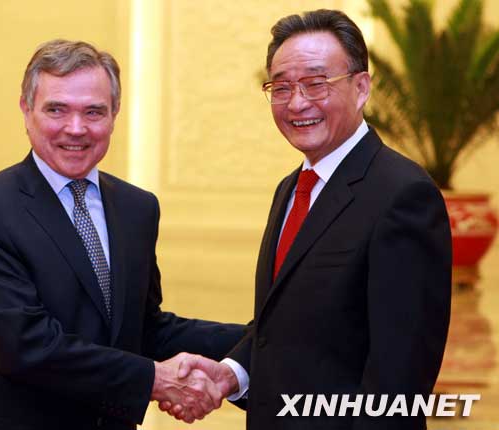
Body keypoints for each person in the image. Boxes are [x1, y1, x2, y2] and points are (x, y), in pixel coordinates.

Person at [165, 9, 452, 430]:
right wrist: (231, 374)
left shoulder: (402, 194)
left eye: (316, 83)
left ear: (361, 87)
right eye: (281, 87)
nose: (297, 103)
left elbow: (399, 376)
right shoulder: (291, 189)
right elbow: (284, 328)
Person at [0, 39, 244, 430]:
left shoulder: (137, 207)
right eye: (57, 109)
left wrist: (259, 341)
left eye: (94, 111)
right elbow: (25, 345)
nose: (76, 128)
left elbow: (142, 328)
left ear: (115, 114)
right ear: (26, 110)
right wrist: (157, 380)